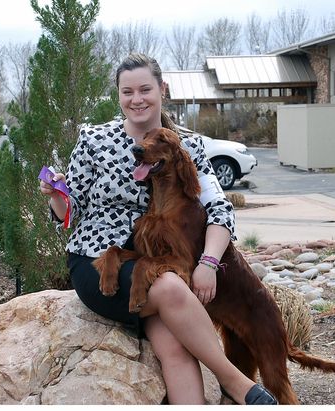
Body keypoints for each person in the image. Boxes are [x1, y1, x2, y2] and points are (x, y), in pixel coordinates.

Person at [40, 52, 277, 405]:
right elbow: (69, 212)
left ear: (161, 89)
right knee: (168, 286)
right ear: (118, 95)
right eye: (127, 91)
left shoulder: (188, 146)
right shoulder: (94, 141)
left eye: (145, 89)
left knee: (177, 350)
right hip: (100, 262)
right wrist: (55, 193)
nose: (137, 99)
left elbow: (219, 210)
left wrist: (209, 263)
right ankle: (236, 382)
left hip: (160, 261)